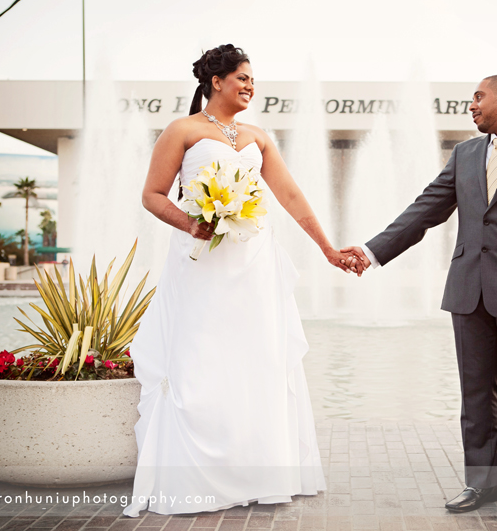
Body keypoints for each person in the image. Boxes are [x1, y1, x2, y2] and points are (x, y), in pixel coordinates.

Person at [123, 44, 357, 517]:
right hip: (201, 263)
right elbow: (152, 195)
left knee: (257, 359)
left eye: (252, 79)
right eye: (243, 78)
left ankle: (256, 473)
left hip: (254, 265)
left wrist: (327, 248)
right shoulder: (182, 130)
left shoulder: (257, 137)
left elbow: (290, 196)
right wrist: (191, 223)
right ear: (217, 81)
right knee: (199, 360)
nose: (250, 86)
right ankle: (199, 476)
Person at [343, 75, 497, 519]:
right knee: (475, 397)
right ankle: (481, 484)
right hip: (468, 293)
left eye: (478, 97)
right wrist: (372, 252)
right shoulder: (465, 154)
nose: (471, 106)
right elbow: (425, 209)